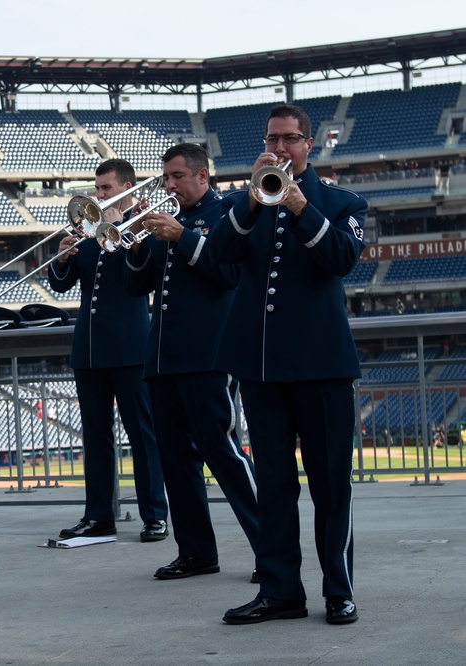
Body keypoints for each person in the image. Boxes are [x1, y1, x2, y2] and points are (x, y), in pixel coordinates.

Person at [212, 105, 366, 625]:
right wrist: (252, 204)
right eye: (271, 139)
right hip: (263, 367)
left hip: (322, 366)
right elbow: (218, 254)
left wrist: (301, 208)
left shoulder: (341, 203)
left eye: (289, 140)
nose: (278, 149)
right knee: (274, 486)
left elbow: (341, 259)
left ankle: (338, 589)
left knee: (330, 485)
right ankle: (280, 591)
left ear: (309, 145)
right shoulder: (244, 203)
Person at [122, 143, 259, 581]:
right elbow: (135, 285)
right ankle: (197, 551)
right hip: (163, 358)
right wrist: (137, 237)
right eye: (166, 178)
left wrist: (183, 237)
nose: (170, 185)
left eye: (178, 177)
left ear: (203, 176)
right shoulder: (170, 222)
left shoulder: (226, 215)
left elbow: (228, 274)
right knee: (176, 460)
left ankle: (270, 546)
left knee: (224, 454)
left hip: (208, 355)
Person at [47, 158, 168, 542]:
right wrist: (64, 255)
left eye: (106, 189)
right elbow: (62, 284)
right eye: (97, 188)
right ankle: (99, 515)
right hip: (89, 348)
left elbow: (140, 281)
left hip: (131, 346)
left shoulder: (142, 227)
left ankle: (155, 513)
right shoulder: (85, 229)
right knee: (95, 437)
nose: (98, 195)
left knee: (142, 435)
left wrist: (119, 230)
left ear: (127, 189)